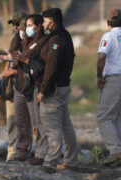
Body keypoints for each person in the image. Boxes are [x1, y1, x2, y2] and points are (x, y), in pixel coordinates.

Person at [38, 8, 78, 170]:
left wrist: (43, 89)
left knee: (52, 126)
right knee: (65, 125)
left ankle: (50, 162)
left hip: (53, 89)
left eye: (45, 21)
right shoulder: (65, 35)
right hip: (63, 87)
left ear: (52, 22)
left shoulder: (57, 39)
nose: (43, 24)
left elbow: (51, 67)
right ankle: (71, 161)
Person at [14, 14, 49, 164]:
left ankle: (42, 154)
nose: (27, 29)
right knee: (25, 122)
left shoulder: (43, 41)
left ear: (39, 25)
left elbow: (40, 65)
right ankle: (32, 153)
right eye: (26, 25)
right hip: (25, 86)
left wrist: (24, 59)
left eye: (29, 25)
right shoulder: (27, 41)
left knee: (38, 122)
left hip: (36, 86)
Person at [0, 11, 27, 162]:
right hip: (12, 87)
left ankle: (22, 153)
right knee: (12, 122)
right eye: (13, 24)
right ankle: (12, 153)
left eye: (17, 23)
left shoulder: (30, 41)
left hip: (24, 86)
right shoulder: (15, 40)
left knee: (23, 122)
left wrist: (11, 71)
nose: (15, 27)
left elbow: (27, 65)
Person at [97, 9, 121, 166]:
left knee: (104, 117)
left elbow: (101, 56)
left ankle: (116, 151)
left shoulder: (109, 36)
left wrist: (99, 76)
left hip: (114, 79)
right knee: (118, 118)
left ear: (108, 23)